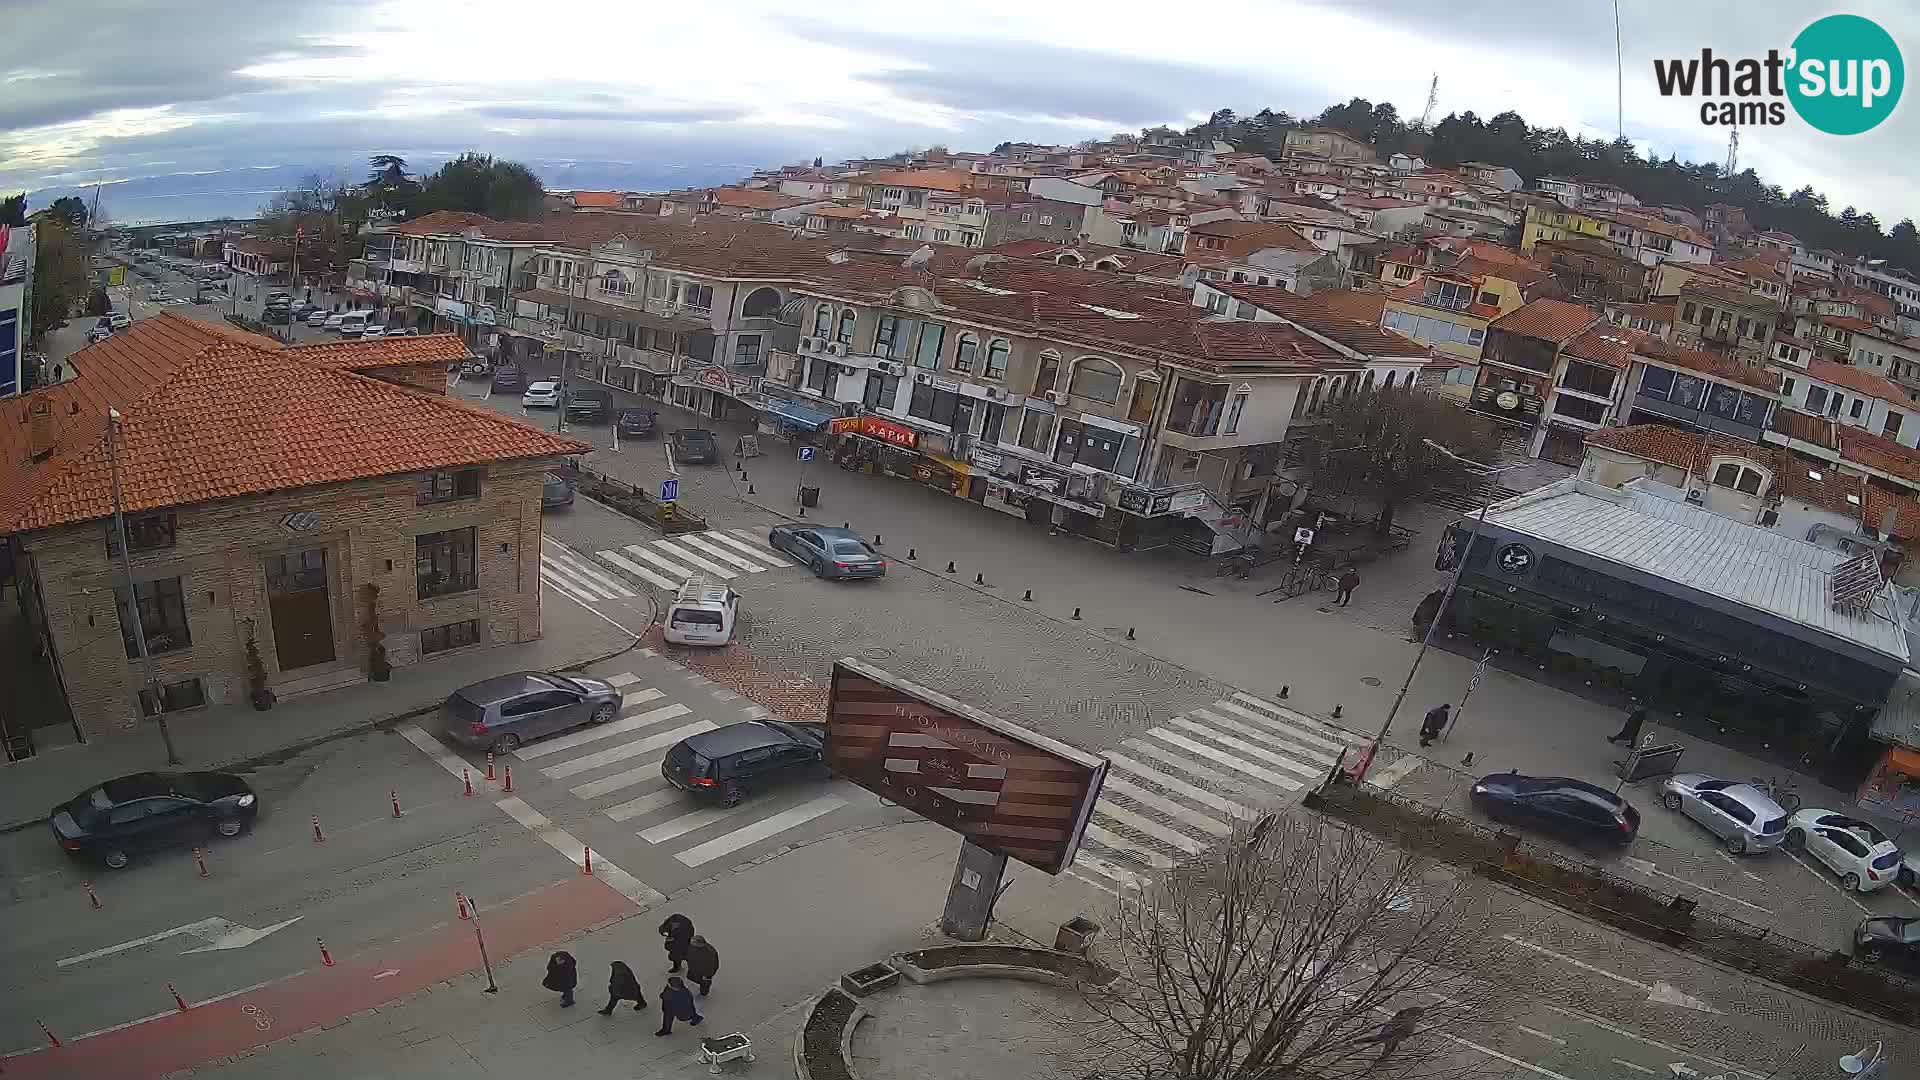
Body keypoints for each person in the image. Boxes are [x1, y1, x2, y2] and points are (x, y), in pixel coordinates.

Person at [1354, 1006, 1424, 1062]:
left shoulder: (1406, 1014)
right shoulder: (1408, 1017)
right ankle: (1381, 1058)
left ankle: (1356, 1042)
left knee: (1386, 1043)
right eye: (1419, 1015)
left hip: (1394, 1031)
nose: (1419, 1017)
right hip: (1394, 1032)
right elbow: (1406, 1028)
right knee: (1383, 1042)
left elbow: (1400, 1023)